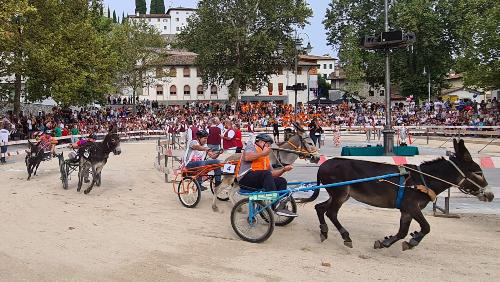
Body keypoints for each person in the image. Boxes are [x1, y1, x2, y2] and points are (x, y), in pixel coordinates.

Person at [236, 133, 296, 217]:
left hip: (258, 179)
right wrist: (263, 153)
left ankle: (281, 205)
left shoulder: (265, 157)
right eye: (267, 144)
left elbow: (272, 174)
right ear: (260, 141)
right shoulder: (252, 147)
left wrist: (283, 170)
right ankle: (275, 203)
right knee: (266, 174)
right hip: (245, 178)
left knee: (281, 181)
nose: (268, 146)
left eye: (269, 145)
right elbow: (247, 157)